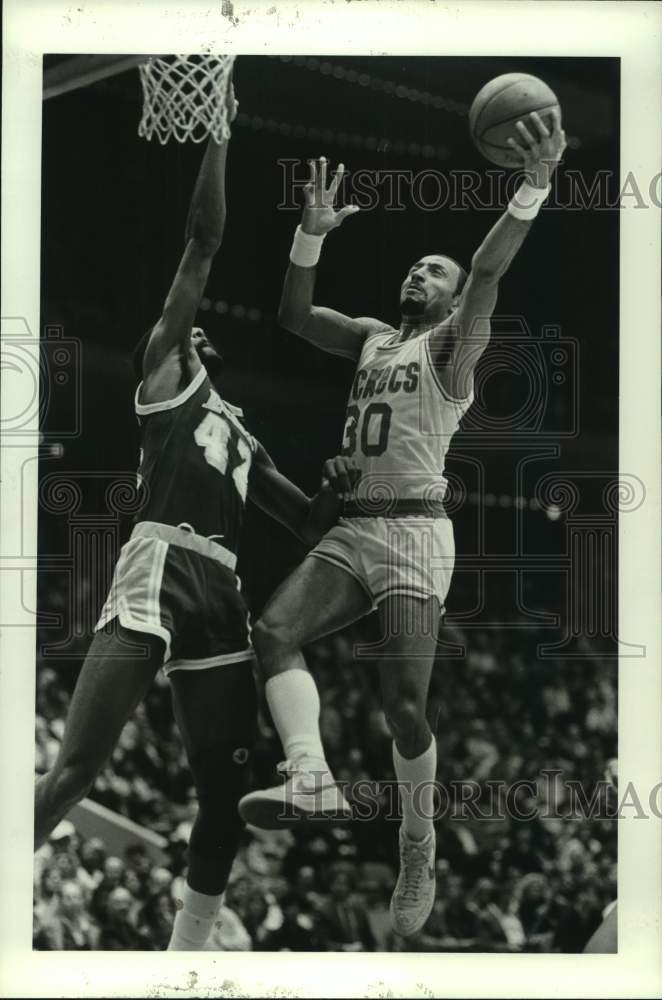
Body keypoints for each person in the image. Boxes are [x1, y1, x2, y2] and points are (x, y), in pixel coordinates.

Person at [33, 74, 358, 952]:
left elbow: (308, 520)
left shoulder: (242, 432)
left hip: (224, 592)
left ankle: (187, 955)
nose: (190, 329)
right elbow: (203, 242)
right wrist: (219, 133)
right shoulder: (164, 378)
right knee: (74, 774)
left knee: (227, 790)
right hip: (160, 565)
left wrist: (346, 476)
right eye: (182, 325)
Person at [239, 110, 568, 938]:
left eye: (436, 271)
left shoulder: (454, 349)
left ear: (455, 299)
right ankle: (308, 772)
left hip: (418, 534)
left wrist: (532, 186)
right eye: (416, 267)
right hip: (353, 529)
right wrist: (309, 236)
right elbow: (291, 314)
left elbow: (489, 272)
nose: (420, 274)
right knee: (273, 628)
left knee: (405, 711)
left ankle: (418, 841)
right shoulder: (373, 338)